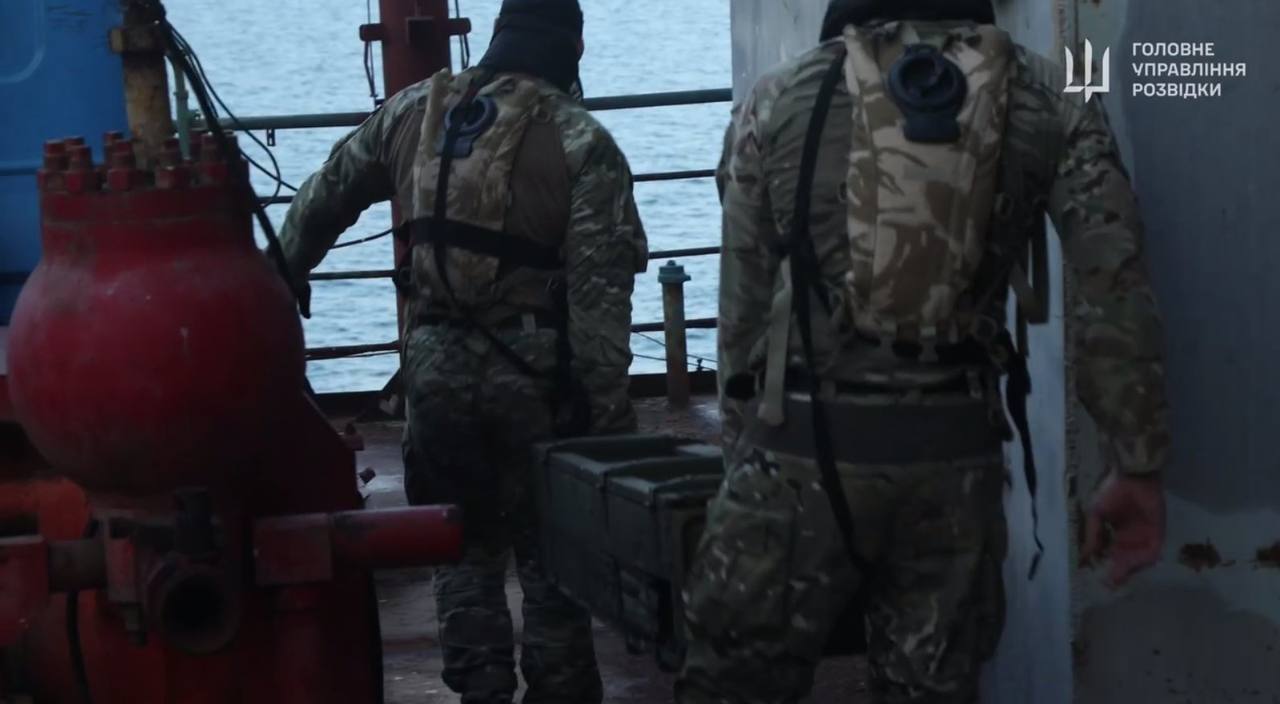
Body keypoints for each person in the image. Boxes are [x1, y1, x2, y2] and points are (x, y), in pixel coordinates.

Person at [677, 0, 1169, 702]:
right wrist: (1137, 461)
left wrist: (743, 453)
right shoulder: (1048, 97)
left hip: (798, 456)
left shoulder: (778, 98)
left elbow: (742, 311)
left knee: (731, 685)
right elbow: (1114, 283)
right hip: (954, 460)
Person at [277, 1, 648, 701]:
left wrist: (280, 280)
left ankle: (480, 689)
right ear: (571, 49)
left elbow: (324, 196)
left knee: (461, 549)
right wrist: (607, 430)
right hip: (535, 379)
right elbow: (600, 305)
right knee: (553, 558)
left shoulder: (414, 109)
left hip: (434, 369)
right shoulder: (580, 139)